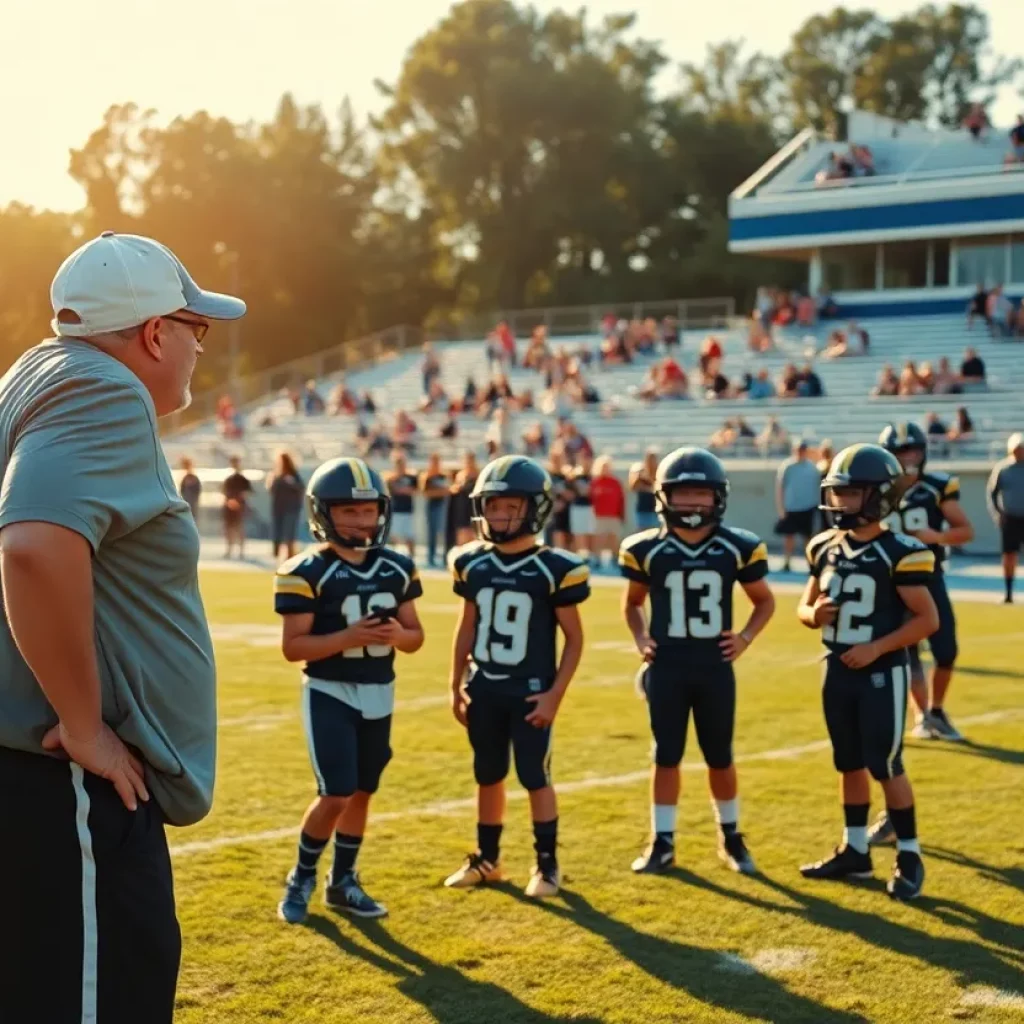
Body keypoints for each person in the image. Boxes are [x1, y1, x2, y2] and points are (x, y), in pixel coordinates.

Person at [0, 229, 244, 1023]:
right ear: (154, 334)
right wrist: (83, 726)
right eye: (195, 328)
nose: (198, 349)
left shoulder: (37, 373)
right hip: (67, 785)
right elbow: (34, 547)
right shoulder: (101, 389)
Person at [274, 458, 424, 924]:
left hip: (380, 690)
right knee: (335, 792)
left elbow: (416, 636)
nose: (361, 521)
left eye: (368, 511)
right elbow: (293, 647)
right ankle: (301, 875)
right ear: (323, 514)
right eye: (348, 512)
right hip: (329, 689)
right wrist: (349, 637)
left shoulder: (397, 567)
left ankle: (343, 881)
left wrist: (397, 636)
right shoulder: (304, 571)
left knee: (361, 791)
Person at [620, 448, 775, 876]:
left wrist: (744, 638)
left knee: (719, 756)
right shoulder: (645, 549)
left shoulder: (736, 547)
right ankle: (663, 840)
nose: (692, 505)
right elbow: (632, 604)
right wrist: (640, 636)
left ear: (717, 498)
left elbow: (764, 602)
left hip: (712, 667)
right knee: (665, 756)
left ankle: (730, 835)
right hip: (667, 666)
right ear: (664, 497)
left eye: (700, 496)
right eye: (683, 495)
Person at [797, 444, 938, 902]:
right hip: (836, 668)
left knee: (885, 763)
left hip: (883, 672)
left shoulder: (902, 551)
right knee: (848, 761)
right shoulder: (824, 547)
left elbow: (926, 620)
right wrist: (813, 614)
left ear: (878, 496)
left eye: (851, 494)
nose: (840, 503)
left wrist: (876, 647)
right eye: (837, 494)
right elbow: (805, 605)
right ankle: (855, 849)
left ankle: (910, 854)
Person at [445, 456, 589, 897]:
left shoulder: (554, 567)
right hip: (485, 686)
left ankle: (547, 866)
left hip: (530, 691)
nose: (500, 515)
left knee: (534, 776)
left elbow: (575, 640)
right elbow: (466, 626)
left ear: (535, 509)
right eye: (493, 506)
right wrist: (454, 684)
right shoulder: (472, 562)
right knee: (487, 774)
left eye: (511, 506)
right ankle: (487, 859)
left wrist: (554, 697)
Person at [988, 433, 1024, 604]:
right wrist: (998, 513)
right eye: (1017, 449)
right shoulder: (1003, 469)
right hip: (1011, 518)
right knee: (1009, 556)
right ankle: (1008, 593)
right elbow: (992, 492)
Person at [775, 441, 822, 572]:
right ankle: (787, 562)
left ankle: (810, 563)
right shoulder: (787, 466)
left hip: (808, 506)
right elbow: (780, 487)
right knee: (789, 537)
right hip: (791, 506)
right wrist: (781, 508)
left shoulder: (813, 468)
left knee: (808, 537)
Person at [266, 451, 305, 562]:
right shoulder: (276, 475)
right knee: (277, 532)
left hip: (291, 509)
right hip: (278, 509)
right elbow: (272, 490)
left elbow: (301, 489)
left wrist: (291, 483)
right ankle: (276, 554)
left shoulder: (293, 475)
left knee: (289, 532)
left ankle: (290, 554)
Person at [590, 455, 625, 567]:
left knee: (614, 539)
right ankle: (597, 559)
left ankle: (614, 558)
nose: (606, 469)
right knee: (599, 539)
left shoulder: (615, 482)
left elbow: (621, 499)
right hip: (599, 516)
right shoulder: (595, 482)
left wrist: (622, 515)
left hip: (614, 516)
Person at [385, 451, 419, 559]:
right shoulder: (391, 478)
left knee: (409, 535)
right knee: (394, 535)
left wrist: (403, 490)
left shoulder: (411, 477)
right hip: (396, 509)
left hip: (408, 510)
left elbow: (415, 490)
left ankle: (412, 557)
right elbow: (391, 490)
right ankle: (394, 556)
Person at [419, 452, 450, 568]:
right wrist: (439, 492)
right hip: (431, 506)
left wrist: (437, 492)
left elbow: (448, 490)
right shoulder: (427, 476)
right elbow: (425, 493)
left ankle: (443, 557)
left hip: (442, 505)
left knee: (443, 532)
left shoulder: (443, 476)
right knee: (431, 532)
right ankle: (430, 557)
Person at [568, 451, 596, 564]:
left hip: (591, 507)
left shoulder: (593, 476)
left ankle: (591, 557)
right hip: (577, 507)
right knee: (578, 532)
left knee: (591, 532)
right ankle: (578, 557)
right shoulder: (574, 476)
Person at [222, 455, 252, 559]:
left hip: (239, 507)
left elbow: (247, 492)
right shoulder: (228, 478)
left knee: (239, 528)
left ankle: (241, 551)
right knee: (229, 529)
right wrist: (229, 502)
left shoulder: (242, 478)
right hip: (229, 507)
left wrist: (238, 501)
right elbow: (224, 492)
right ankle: (229, 550)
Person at [448, 451, 479, 548]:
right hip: (462, 506)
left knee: (473, 532)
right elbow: (453, 489)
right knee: (461, 531)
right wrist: (458, 487)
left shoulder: (477, 474)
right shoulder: (460, 475)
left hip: (473, 506)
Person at [628, 448, 660, 531]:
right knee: (642, 533)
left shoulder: (659, 473)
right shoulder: (641, 471)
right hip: (643, 509)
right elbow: (633, 487)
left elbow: (657, 487)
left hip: (656, 509)